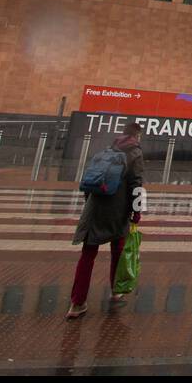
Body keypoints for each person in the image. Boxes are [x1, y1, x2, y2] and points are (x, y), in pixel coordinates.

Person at [67, 120, 145, 319]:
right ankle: (116, 292)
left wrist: (90, 204)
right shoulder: (135, 153)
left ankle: (77, 303)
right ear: (137, 136)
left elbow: (92, 178)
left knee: (87, 255)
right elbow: (136, 186)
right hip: (117, 210)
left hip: (95, 207)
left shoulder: (108, 149)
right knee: (118, 251)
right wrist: (137, 213)